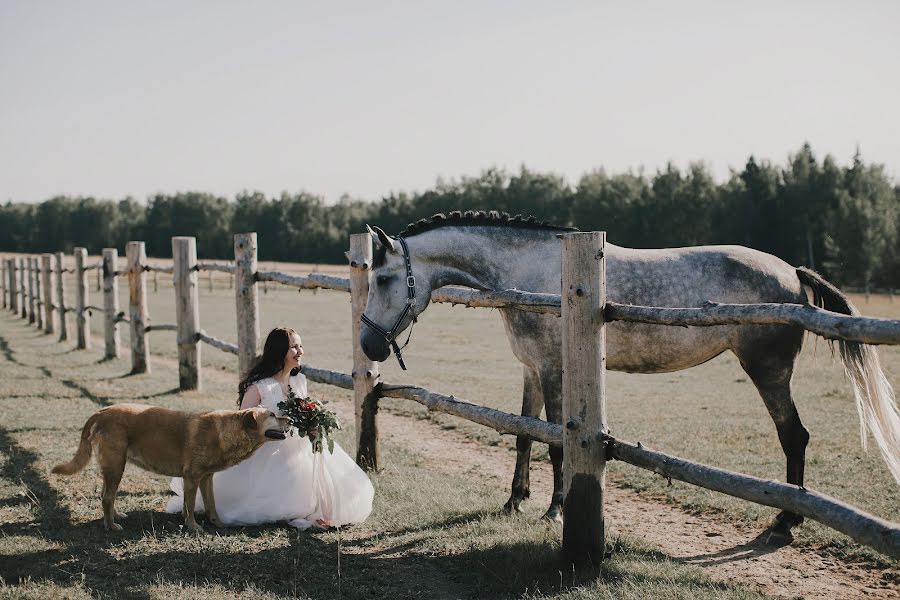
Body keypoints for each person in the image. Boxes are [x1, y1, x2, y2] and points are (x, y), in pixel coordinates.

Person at [166, 327, 374, 530]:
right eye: (294, 347)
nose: (300, 351)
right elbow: (242, 424)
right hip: (265, 450)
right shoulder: (260, 387)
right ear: (279, 351)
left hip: (298, 446)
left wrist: (311, 423)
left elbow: (303, 410)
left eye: (301, 346)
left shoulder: (299, 380)